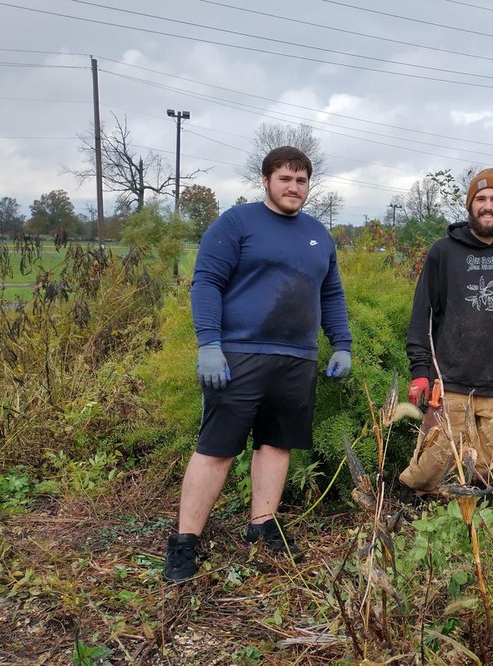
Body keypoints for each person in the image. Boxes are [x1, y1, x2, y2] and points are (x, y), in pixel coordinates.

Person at [163, 146, 353, 582]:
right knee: (217, 448)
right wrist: (208, 342)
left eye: (301, 180)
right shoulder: (236, 223)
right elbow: (206, 281)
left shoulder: (318, 235)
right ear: (266, 181)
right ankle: (185, 542)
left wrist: (341, 343)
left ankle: (263, 525)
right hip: (238, 356)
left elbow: (332, 294)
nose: (294, 187)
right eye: (285, 178)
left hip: (297, 359)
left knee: (276, 444)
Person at [398, 168, 493, 494]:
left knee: (487, 473)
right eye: (481, 199)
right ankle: (411, 513)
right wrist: (421, 371)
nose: (487, 205)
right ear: (470, 205)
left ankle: (479, 523)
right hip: (449, 380)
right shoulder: (443, 253)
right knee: (426, 471)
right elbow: (423, 314)